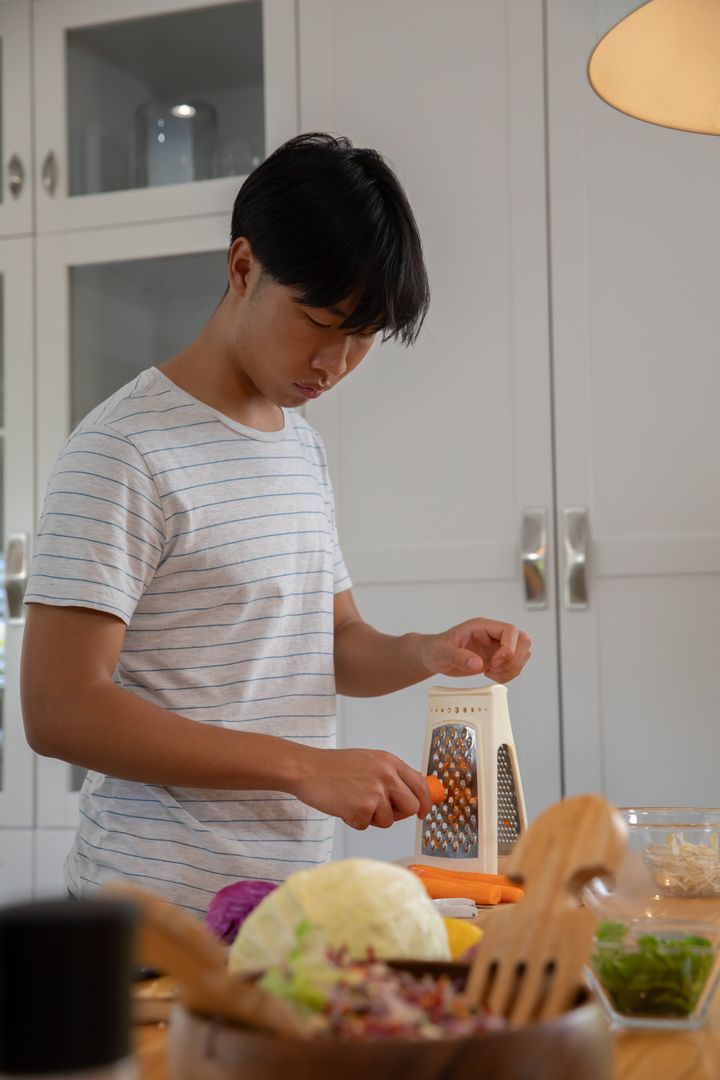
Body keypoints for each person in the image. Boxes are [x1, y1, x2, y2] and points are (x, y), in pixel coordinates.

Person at [21, 133, 531, 915]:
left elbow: (330, 643)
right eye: (321, 321)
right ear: (243, 267)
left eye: (364, 337)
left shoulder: (300, 448)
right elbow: (59, 709)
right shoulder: (123, 450)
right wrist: (303, 767)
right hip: (153, 921)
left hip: (283, 908)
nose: (337, 362)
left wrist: (426, 651)